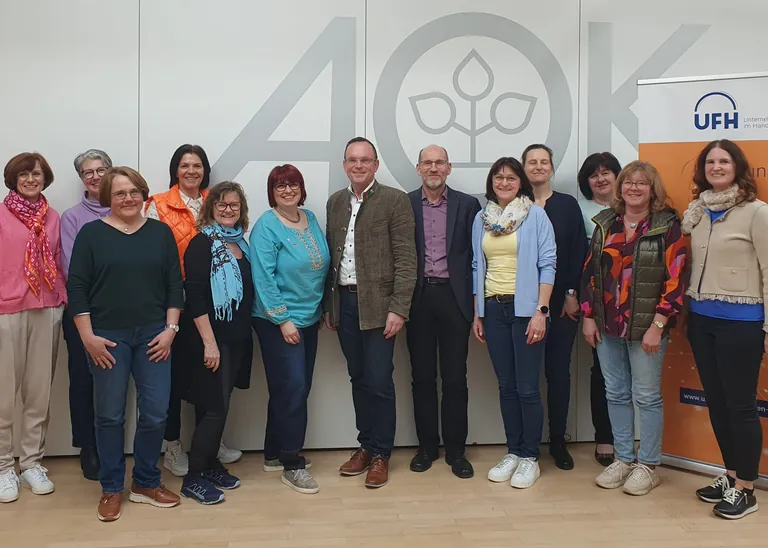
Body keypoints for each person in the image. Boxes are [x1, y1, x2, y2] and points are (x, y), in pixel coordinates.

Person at [67, 166, 184, 522]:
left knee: (155, 413)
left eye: (134, 191)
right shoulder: (91, 235)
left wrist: (170, 330)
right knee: (109, 415)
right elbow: (77, 290)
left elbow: (174, 286)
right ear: (108, 198)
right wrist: (87, 337)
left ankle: (146, 482)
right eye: (120, 193)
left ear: (143, 194)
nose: (128, 198)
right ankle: (111, 487)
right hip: (107, 338)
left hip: (154, 335)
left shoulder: (160, 234)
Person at [581, 160, 686, 496]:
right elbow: (590, 274)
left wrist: (659, 324)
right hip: (607, 323)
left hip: (647, 327)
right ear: (620, 187)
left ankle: (648, 464)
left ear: (652, 189)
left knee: (647, 396)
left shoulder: (667, 225)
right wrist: (587, 315)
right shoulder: (606, 223)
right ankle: (624, 458)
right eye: (629, 183)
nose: (634, 188)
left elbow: (676, 280)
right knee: (616, 393)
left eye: (642, 183)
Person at [324, 137, 417, 489]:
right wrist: (329, 307)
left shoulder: (394, 201)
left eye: (365, 160)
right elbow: (331, 259)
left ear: (376, 165)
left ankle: (381, 453)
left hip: (381, 307)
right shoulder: (335, 202)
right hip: (344, 304)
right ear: (345, 165)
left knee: (379, 381)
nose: (358, 165)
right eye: (352, 159)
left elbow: (408, 260)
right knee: (358, 378)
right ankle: (365, 445)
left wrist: (399, 309)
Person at [683, 140, 767, 520]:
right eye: (710, 162)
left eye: (724, 161)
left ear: (737, 167)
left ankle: (747, 488)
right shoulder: (698, 212)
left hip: (742, 322)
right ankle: (731, 475)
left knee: (740, 406)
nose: (716, 167)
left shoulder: (756, 213)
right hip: (701, 319)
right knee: (716, 402)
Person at [145, 144, 242, 474]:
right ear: (175, 169)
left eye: (197, 165)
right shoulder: (157, 205)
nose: (191, 171)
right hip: (173, 304)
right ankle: (172, 445)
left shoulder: (214, 201)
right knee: (172, 381)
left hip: (208, 305)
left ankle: (208, 439)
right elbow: (153, 257)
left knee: (207, 379)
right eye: (184, 165)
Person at [472, 157, 556, 489]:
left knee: (527, 388)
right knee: (506, 387)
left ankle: (530, 457)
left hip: (526, 312)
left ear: (520, 182)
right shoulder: (482, 218)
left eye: (510, 178)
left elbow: (548, 263)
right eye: (498, 178)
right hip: (493, 311)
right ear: (491, 182)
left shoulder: (535, 215)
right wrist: (478, 313)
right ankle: (513, 451)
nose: (504, 183)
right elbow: (478, 267)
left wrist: (542, 310)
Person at [251, 165, 329, 494]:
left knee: (293, 387)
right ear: (272, 191)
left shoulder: (309, 218)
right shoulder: (266, 226)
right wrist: (283, 319)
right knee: (294, 388)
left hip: (309, 317)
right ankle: (291, 463)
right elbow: (263, 278)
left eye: (293, 184)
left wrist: (322, 310)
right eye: (280, 186)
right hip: (277, 320)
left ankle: (273, 453)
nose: (287, 191)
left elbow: (321, 265)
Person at [405, 145, 480, 479]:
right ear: (418, 168)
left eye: (439, 163)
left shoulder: (468, 205)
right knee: (421, 378)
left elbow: (478, 257)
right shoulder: (404, 204)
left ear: (449, 168)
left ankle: (456, 451)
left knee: (454, 378)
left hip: (454, 298)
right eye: (427, 163)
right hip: (417, 299)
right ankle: (426, 448)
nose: (433, 168)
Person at [178, 182, 254, 505]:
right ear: (210, 210)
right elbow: (194, 297)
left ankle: (209, 464)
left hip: (235, 339)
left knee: (216, 405)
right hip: (208, 340)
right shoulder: (201, 244)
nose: (227, 210)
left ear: (241, 211)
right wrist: (209, 342)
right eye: (221, 205)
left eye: (234, 206)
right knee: (214, 409)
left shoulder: (242, 245)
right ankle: (192, 478)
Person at [0, 152, 66, 504]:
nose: (30, 179)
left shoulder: (52, 217)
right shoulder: (1, 214)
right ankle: (2, 467)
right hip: (6, 310)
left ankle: (31, 463)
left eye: (36, 174)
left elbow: (57, 260)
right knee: (3, 393)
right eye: (23, 174)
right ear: (13, 178)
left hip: (46, 307)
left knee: (39, 394)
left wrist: (61, 300)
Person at [522, 144, 588, 471]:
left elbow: (578, 251)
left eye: (543, 162)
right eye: (531, 162)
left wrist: (572, 292)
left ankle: (558, 441)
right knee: (526, 378)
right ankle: (525, 442)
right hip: (521, 305)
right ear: (524, 168)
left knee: (558, 374)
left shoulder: (566, 205)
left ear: (551, 167)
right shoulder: (511, 206)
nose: (537, 166)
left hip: (560, 304)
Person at [60, 149, 113, 481]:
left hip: (120, 311)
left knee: (113, 384)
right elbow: (71, 267)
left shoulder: (128, 208)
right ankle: (88, 448)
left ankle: (110, 445)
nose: (94, 177)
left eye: (100, 170)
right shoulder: (72, 217)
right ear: (81, 179)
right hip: (82, 312)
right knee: (83, 381)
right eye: (87, 172)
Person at [577, 152, 621, 466]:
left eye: (607, 172)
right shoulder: (579, 211)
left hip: (632, 303)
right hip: (596, 303)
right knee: (603, 373)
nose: (601, 178)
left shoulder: (634, 208)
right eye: (594, 174)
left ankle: (630, 441)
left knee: (634, 376)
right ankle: (604, 437)